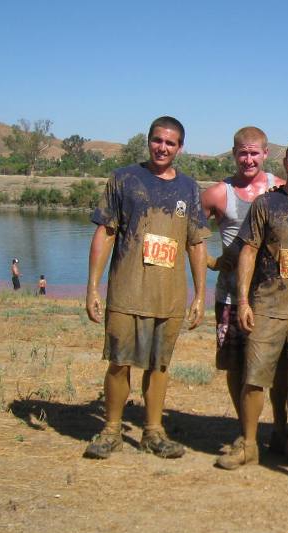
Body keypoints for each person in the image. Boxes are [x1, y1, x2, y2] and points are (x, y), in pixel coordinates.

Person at [84, 116, 210, 460]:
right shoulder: (124, 179)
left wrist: (200, 294)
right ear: (148, 140)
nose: (162, 147)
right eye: (157, 140)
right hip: (126, 291)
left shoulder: (188, 188)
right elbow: (105, 233)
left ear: (180, 147)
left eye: (170, 143)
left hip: (168, 297)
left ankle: (153, 432)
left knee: (160, 365)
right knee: (119, 361)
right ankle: (110, 429)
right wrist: (92, 287)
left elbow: (196, 243)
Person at [216, 142, 288, 470]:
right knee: (254, 378)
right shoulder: (266, 203)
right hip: (266, 305)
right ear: (284, 163)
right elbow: (248, 251)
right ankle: (249, 445)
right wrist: (242, 301)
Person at [200, 126, 288, 454]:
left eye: (255, 153)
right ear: (234, 153)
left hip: (272, 297)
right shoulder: (218, 194)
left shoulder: (280, 189)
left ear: (266, 154)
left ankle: (280, 430)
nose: (248, 159)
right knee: (236, 365)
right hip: (230, 297)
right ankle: (244, 431)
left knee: (276, 368)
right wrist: (211, 262)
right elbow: (188, 232)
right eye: (242, 153)